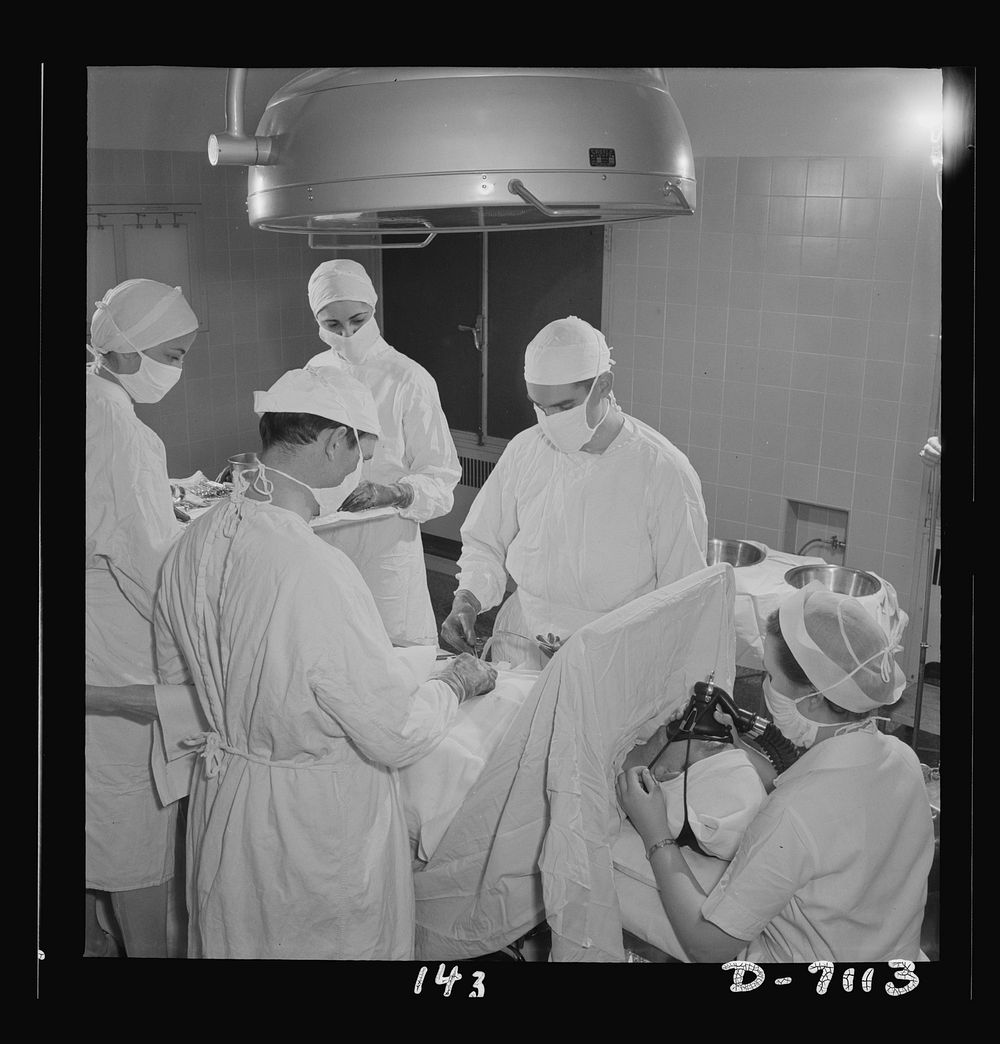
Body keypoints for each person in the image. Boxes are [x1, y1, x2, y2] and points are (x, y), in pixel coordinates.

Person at [153, 367, 496, 959]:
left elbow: (175, 672)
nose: (356, 469)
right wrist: (453, 683)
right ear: (336, 442)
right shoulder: (313, 568)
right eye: (360, 452)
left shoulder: (199, 538)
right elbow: (393, 733)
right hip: (311, 826)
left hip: (228, 798)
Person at [617, 582, 935, 963]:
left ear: (814, 698)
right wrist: (739, 748)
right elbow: (830, 817)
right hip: (893, 956)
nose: (765, 687)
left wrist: (655, 834)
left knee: (618, 864)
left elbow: (708, 946)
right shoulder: (900, 758)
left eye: (770, 676)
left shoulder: (792, 814)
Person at [441, 316, 708, 669]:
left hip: (612, 655)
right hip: (523, 642)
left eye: (565, 407)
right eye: (540, 406)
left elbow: (682, 595)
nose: (550, 421)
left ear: (603, 385)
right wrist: (468, 599)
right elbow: (485, 541)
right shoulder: (526, 450)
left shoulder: (662, 471)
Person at [85, 278, 203, 958]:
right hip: (116, 648)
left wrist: (166, 498)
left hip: (87, 630)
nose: (177, 369)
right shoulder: (124, 433)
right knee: (129, 827)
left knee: (88, 813)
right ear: (127, 353)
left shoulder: (90, 395)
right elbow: (153, 570)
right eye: (173, 353)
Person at [305, 259, 461, 646]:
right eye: (333, 326)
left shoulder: (408, 379)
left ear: (373, 309)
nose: (348, 333)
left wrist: (394, 492)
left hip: (385, 547)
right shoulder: (315, 371)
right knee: (332, 652)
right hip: (324, 542)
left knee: (393, 657)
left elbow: (441, 478)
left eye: (358, 320)